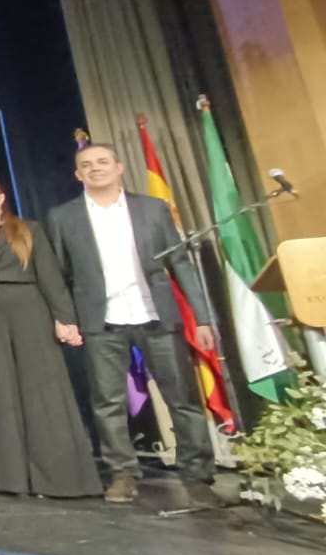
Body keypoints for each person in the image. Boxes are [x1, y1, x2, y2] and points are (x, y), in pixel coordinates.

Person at [47, 144, 219, 506]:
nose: (96, 169)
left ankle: (197, 475)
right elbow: (60, 275)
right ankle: (122, 473)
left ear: (119, 167)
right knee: (107, 403)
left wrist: (202, 316)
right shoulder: (63, 217)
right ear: (77, 174)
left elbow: (180, 263)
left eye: (103, 162)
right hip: (102, 322)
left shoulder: (152, 208)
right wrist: (67, 320)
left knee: (183, 400)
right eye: (86, 165)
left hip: (156, 315)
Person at [0, 179, 100, 499]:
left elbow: (50, 275)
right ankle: (11, 478)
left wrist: (65, 319)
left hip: (29, 312)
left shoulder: (27, 230)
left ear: (1, 198)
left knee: (41, 390)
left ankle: (57, 478)